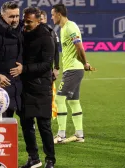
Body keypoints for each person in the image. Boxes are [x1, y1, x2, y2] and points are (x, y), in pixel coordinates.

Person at [14, 7, 56, 168]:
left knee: (44, 125)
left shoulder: (46, 36)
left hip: (41, 87)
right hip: (24, 86)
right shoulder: (22, 32)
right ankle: (33, 158)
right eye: (25, 20)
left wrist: (25, 69)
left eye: (29, 21)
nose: (26, 24)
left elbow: (46, 64)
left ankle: (50, 159)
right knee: (26, 123)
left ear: (39, 20)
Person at [51, 4, 94, 144]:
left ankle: (61, 135)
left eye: (52, 14)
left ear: (58, 14)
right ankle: (79, 134)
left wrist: (85, 63)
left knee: (59, 99)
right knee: (73, 101)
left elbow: (79, 47)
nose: (52, 17)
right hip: (72, 69)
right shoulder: (63, 28)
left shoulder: (70, 27)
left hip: (74, 70)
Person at [40, 10, 60, 79]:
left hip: (47, 71)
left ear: (45, 19)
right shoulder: (30, 32)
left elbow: (56, 51)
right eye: (38, 19)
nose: (39, 22)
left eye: (41, 19)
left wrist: (56, 68)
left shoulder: (52, 33)